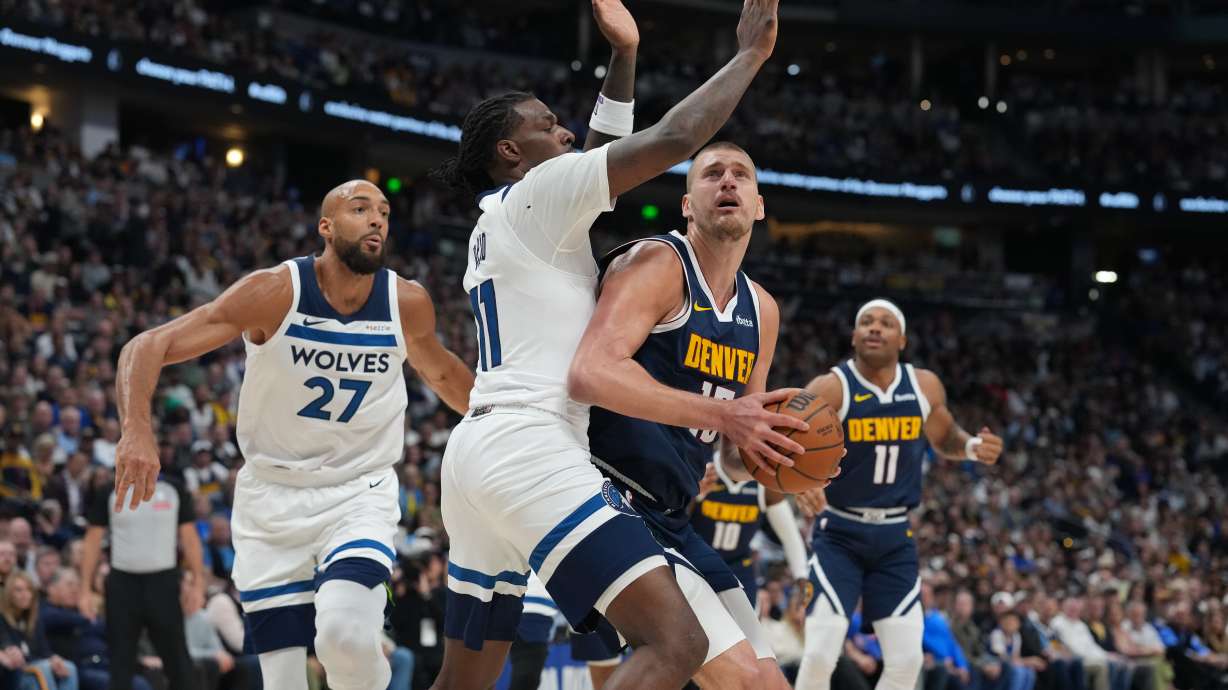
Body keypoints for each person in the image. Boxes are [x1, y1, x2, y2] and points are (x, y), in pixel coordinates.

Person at [428, 1, 789, 688]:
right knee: (674, 643)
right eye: (545, 124)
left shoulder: (510, 217)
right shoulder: (541, 195)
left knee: (465, 681)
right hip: (534, 446)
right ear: (512, 152)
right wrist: (750, 55)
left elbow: (594, 154)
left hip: (479, 452)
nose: (564, 130)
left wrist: (625, 55)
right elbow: (677, 134)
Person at [110, 176, 476, 690]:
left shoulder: (405, 302)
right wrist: (137, 432)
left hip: (358, 491)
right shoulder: (275, 292)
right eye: (360, 208)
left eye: (385, 212)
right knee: (283, 681)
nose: (377, 219)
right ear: (325, 227)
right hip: (271, 497)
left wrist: (503, 418)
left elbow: (443, 375)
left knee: (345, 637)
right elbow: (146, 346)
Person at [571, 139, 823, 689]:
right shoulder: (659, 264)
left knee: (769, 684)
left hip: (674, 513)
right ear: (687, 204)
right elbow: (590, 372)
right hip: (604, 496)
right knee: (730, 677)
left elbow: (740, 443)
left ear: (759, 205)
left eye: (740, 174)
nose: (727, 181)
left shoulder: (763, 309)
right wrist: (727, 417)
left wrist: (785, 459)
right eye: (711, 174)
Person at [793, 299, 1004, 690]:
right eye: (866, 322)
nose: (875, 328)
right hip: (839, 532)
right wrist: (800, 482)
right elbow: (787, 441)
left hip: (894, 538)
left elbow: (945, 437)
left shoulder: (924, 385)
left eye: (886, 323)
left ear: (902, 339)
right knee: (821, 652)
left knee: (907, 662)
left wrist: (972, 446)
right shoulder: (832, 387)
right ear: (854, 336)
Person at [690, 458, 809, 608]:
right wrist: (694, 494)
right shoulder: (704, 470)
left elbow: (790, 536)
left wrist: (801, 577)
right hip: (697, 564)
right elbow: (676, 518)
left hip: (738, 566)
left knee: (748, 628)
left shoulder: (764, 483)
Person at [0, 571, 79, 690]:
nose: (25, 594)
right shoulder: (2, 618)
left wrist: (54, 659)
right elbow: (13, 653)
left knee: (69, 667)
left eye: (28, 590)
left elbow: (44, 650)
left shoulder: (34, 620)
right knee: (44, 668)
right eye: (18, 590)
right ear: (9, 594)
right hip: (14, 674)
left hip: (34, 666)